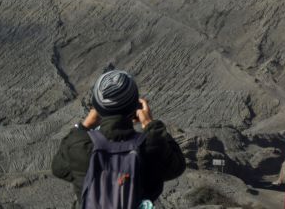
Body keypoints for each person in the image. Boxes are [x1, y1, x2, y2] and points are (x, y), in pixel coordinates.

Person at [52, 70, 185, 207]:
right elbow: (177, 166)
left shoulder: (79, 146)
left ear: (97, 108)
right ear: (136, 106)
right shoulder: (151, 146)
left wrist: (84, 126)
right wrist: (149, 123)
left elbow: (58, 168)